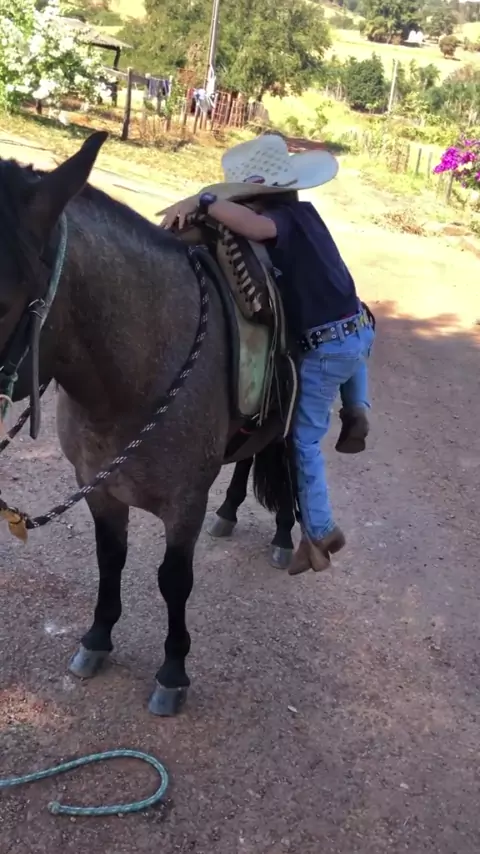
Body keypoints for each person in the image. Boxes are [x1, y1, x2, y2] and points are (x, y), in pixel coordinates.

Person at [160, 133, 375, 576]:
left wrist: (205, 201)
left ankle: (321, 532)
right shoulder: (307, 214)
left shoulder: (278, 220)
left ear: (253, 197)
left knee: (303, 442)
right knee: (355, 338)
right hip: (358, 329)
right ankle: (357, 407)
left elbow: (255, 228)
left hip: (327, 347)